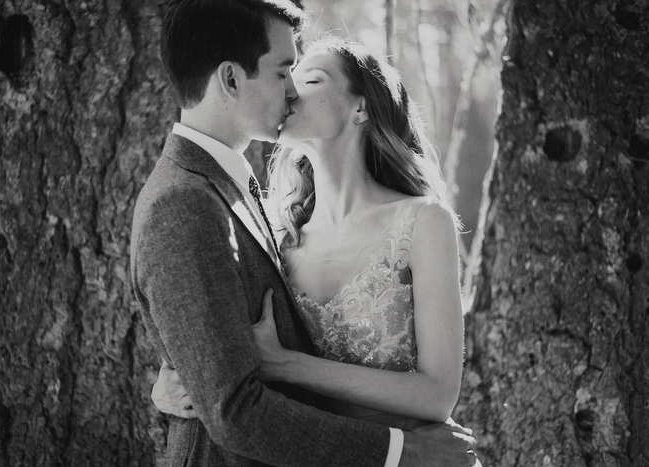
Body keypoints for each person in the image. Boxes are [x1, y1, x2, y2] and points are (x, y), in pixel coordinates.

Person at [131, 0, 477, 465]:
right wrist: (176, 383)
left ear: (361, 108)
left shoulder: (417, 222)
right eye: (285, 72)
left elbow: (437, 392)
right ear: (232, 79)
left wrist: (277, 367)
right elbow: (227, 382)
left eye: (307, 78)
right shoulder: (272, 226)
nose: (291, 91)